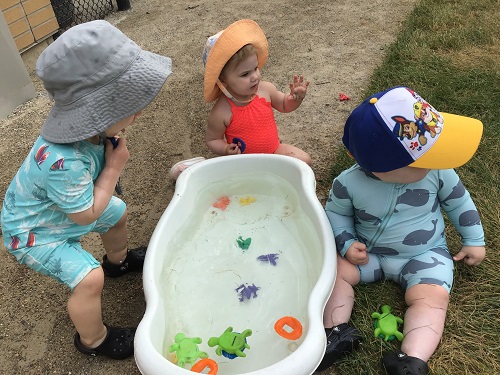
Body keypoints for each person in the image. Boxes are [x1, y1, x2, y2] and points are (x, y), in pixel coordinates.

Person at [0, 20, 172, 360]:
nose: (137, 111)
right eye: (125, 104)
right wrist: (112, 168)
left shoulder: (93, 134)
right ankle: (93, 340)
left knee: (117, 212)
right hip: (34, 230)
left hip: (65, 208)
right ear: (95, 113)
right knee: (89, 279)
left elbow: (94, 207)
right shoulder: (64, 162)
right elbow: (85, 215)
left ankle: (118, 262)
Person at [317, 86, 485, 374]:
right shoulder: (348, 183)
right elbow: (336, 214)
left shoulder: (439, 171)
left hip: (424, 254)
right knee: (332, 271)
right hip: (368, 254)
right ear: (384, 166)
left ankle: (413, 358)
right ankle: (336, 332)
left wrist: (473, 239)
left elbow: (460, 203)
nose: (438, 156)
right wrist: (346, 243)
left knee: (432, 297)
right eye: (427, 153)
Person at [169, 19, 312, 180]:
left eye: (255, 68)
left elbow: (285, 105)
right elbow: (212, 139)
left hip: (274, 151)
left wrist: (295, 98)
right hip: (241, 162)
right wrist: (224, 149)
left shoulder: (266, 90)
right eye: (245, 74)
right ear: (223, 81)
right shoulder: (222, 111)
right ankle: (191, 170)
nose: (255, 77)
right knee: (222, 186)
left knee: (304, 163)